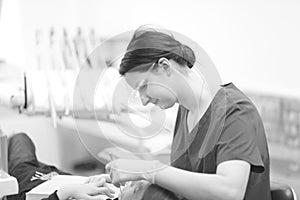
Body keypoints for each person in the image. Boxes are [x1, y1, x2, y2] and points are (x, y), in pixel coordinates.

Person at [106, 26, 271, 200]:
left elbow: (229, 191)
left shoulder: (234, 111)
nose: (144, 100)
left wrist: (148, 170)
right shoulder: (186, 111)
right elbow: (189, 185)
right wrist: (140, 180)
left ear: (164, 66)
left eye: (143, 87)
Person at [7, 133, 180, 200]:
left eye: (134, 189)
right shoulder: (118, 195)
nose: (131, 182)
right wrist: (107, 181)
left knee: (19, 139)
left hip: (29, 181)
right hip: (53, 176)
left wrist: (67, 192)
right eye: (138, 181)